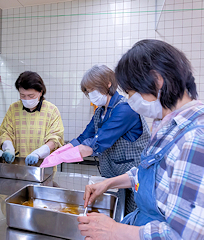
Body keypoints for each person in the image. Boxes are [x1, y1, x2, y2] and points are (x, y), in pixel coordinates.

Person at [78, 39, 204, 239]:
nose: (130, 100)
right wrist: (108, 184)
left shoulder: (195, 140)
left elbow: (185, 235)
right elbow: (148, 174)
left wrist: (113, 230)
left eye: (131, 92)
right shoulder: (167, 125)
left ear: (157, 80)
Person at [43, 65, 150, 214]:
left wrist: (64, 157)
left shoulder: (125, 109)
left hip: (133, 180)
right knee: (116, 214)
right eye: (87, 91)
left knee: (130, 218)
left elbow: (97, 143)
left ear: (108, 84)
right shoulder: (100, 111)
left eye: (93, 89)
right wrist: (58, 151)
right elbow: (84, 137)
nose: (90, 94)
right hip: (112, 177)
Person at [0, 71, 64, 166]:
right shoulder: (13, 109)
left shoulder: (51, 110)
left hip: (43, 167)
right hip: (18, 165)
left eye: (31, 96)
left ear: (40, 92)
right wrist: (8, 148)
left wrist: (38, 153)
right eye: (22, 95)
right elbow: (6, 132)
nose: (27, 100)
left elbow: (56, 138)